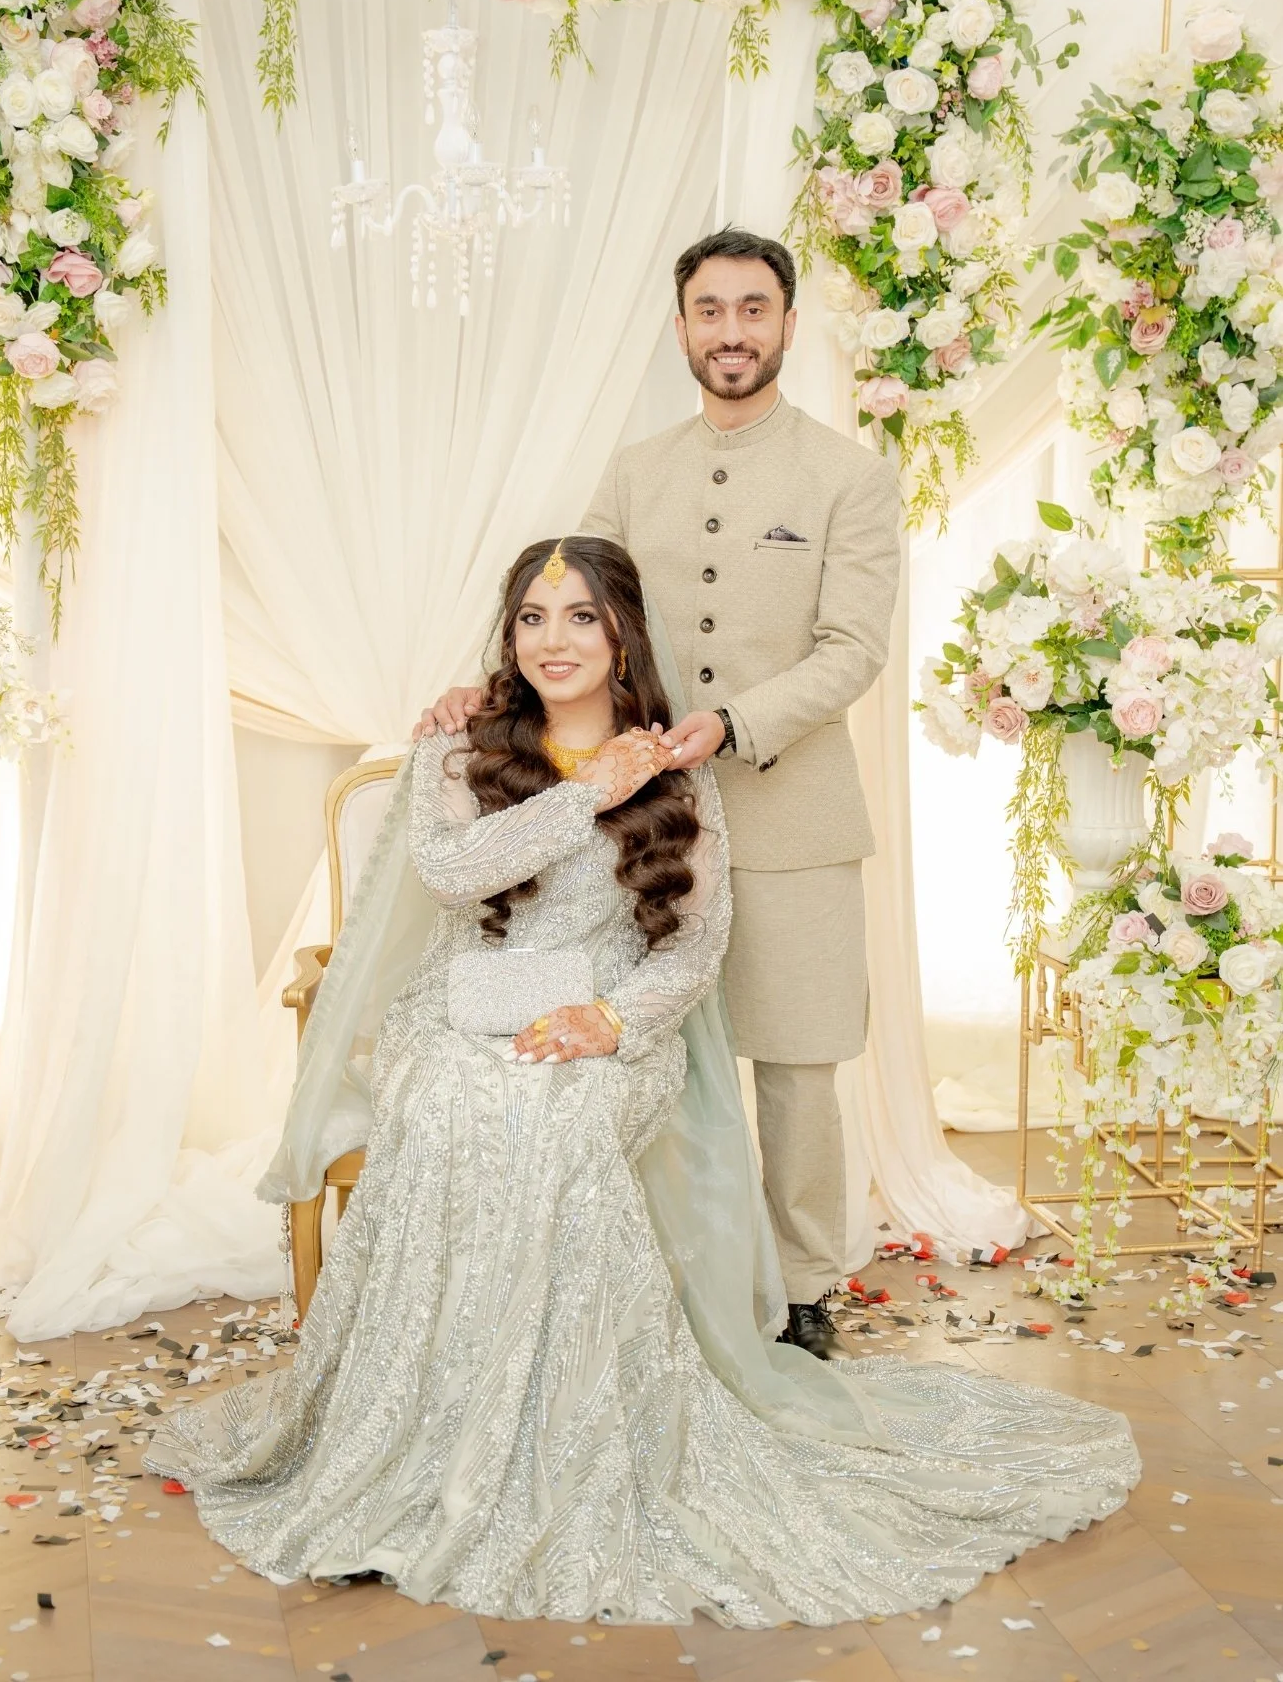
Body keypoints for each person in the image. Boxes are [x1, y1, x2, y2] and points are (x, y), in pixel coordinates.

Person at [146, 538, 1138, 1624]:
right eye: (532, 616)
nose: (554, 639)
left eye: (580, 616)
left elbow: (695, 945)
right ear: (508, 634)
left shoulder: (680, 765)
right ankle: (430, 1435)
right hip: (462, 1009)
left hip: (617, 1020)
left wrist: (608, 1018)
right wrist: (588, 795)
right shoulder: (455, 750)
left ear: (622, 633)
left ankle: (567, 1437)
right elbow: (450, 873)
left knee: (556, 1125)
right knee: (461, 1110)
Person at [418, 228, 901, 1360]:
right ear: (680, 326)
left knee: (792, 1070)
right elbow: (571, 605)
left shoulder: (849, 474)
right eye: (709, 311)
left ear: (788, 321)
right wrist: (477, 691)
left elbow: (854, 646)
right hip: (647, 822)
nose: (731, 331)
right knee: (651, 1050)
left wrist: (732, 724)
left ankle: (802, 1288)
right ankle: (664, 1277)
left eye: (753, 309)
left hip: (793, 816)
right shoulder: (638, 471)